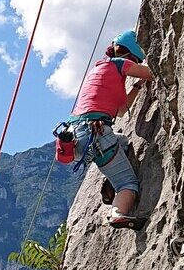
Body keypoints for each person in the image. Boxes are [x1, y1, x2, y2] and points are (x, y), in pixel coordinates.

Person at [58, 30, 153, 228]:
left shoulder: (97, 71)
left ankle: (111, 177)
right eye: (135, 59)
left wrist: (136, 86)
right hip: (97, 132)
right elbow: (153, 72)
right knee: (128, 184)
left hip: (76, 137)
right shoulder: (120, 64)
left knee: (123, 142)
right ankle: (119, 213)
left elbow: (119, 111)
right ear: (130, 55)